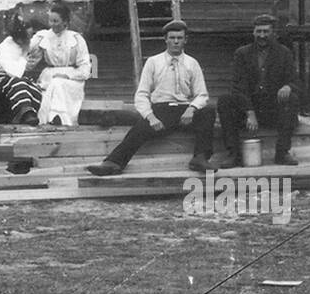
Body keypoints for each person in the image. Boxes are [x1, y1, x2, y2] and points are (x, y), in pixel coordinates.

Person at [89, 19, 217, 176]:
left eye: (179, 38)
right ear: (166, 40)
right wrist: (151, 117)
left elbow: (202, 94)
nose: (176, 42)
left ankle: (200, 158)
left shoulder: (192, 63)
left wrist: (191, 108)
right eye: (172, 38)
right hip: (161, 111)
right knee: (140, 129)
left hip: (185, 112)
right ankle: (113, 163)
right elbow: (142, 94)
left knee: (208, 111)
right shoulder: (153, 62)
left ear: (185, 40)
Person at [217, 14, 299, 165]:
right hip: (249, 108)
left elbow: (294, 81)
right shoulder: (242, 54)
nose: (262, 35)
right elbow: (237, 86)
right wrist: (249, 111)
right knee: (224, 101)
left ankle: (282, 152)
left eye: (266, 31)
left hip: (272, 110)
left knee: (291, 99)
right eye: (258, 31)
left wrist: (288, 86)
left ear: (273, 33)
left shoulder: (284, 53)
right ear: (253, 32)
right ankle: (234, 154)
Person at [28, 0, 91, 127]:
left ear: (65, 22)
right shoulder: (43, 37)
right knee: (51, 85)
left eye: (56, 21)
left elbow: (85, 68)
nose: (52, 24)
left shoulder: (76, 39)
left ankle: (60, 119)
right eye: (50, 20)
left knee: (58, 84)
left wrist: (68, 76)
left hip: (71, 80)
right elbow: (30, 58)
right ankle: (49, 120)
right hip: (49, 76)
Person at [0, 14, 43, 125]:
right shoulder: (6, 47)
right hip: (0, 81)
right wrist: (25, 60)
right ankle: (24, 114)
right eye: (28, 37)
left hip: (16, 79)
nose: (30, 39)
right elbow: (14, 73)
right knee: (19, 84)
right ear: (20, 37)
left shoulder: (23, 45)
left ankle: (30, 113)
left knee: (34, 88)